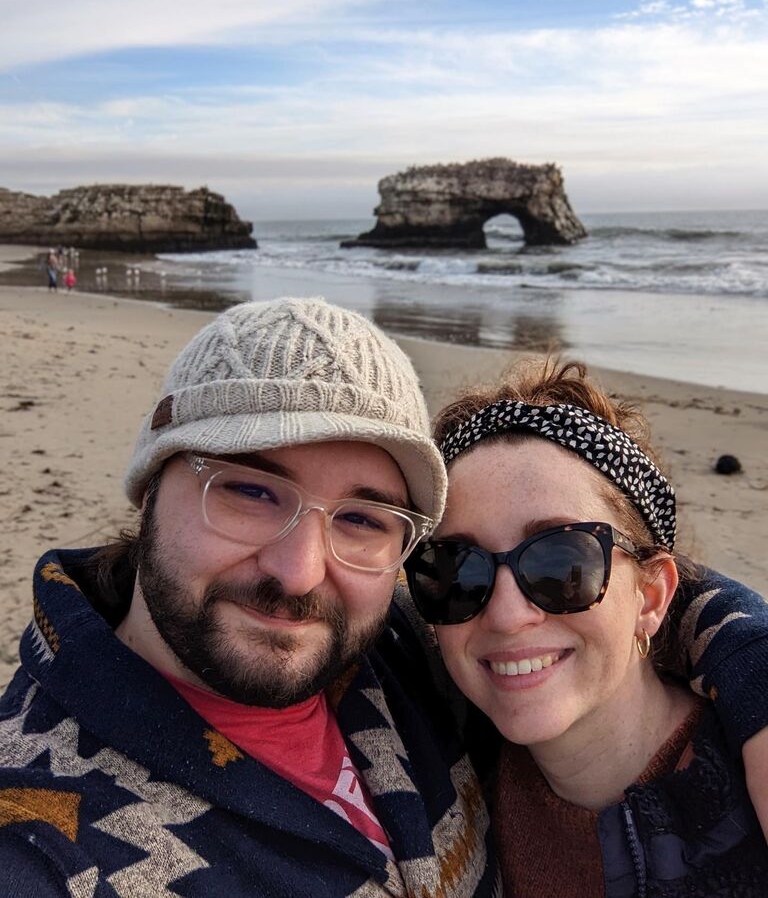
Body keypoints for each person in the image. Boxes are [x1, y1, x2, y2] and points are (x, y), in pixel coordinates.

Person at [1, 299, 767, 897]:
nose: (301, 571)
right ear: (149, 490)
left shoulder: (396, 657)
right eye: (248, 491)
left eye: (362, 518)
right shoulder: (42, 834)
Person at [405, 358, 768, 896]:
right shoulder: (445, 765)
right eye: (458, 571)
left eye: (560, 564)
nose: (506, 615)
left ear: (652, 595)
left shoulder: (748, 787)